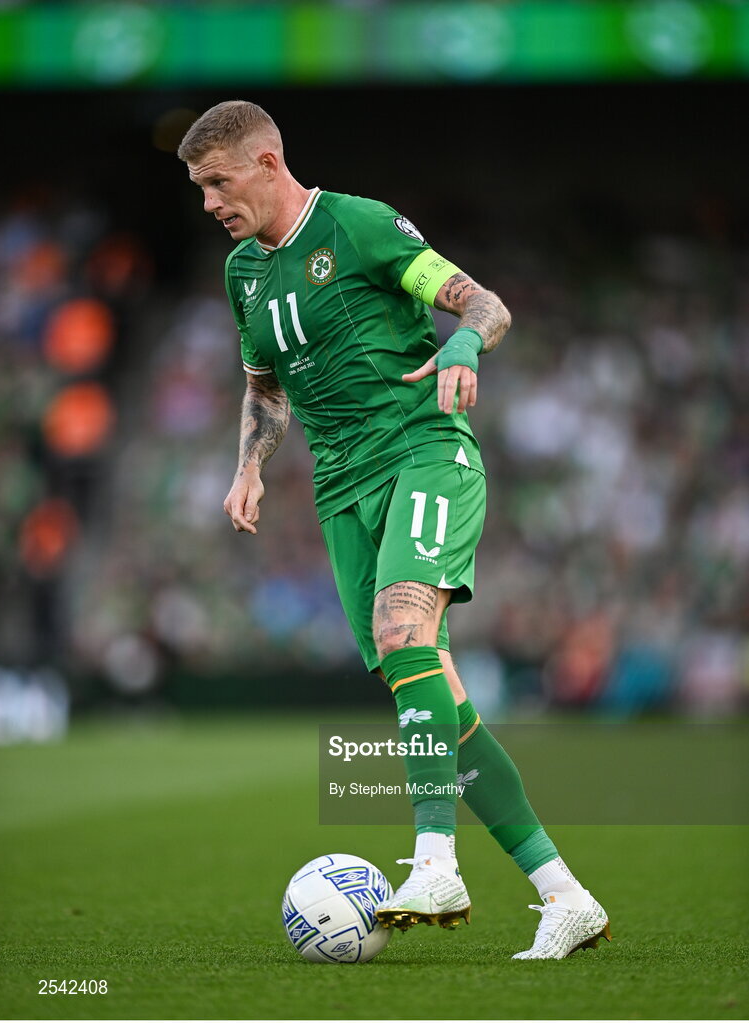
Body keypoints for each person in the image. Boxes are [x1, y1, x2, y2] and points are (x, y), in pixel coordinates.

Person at [178, 100, 610, 959]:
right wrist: (250, 464)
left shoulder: (360, 226)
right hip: (342, 493)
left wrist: (461, 347)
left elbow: (481, 303)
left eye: (218, 182)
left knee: (401, 627)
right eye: (197, 188)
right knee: (436, 699)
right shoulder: (244, 275)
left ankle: (435, 860)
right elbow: (265, 385)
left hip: (422, 453)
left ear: (267, 164)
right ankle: (563, 894)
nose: (209, 203)